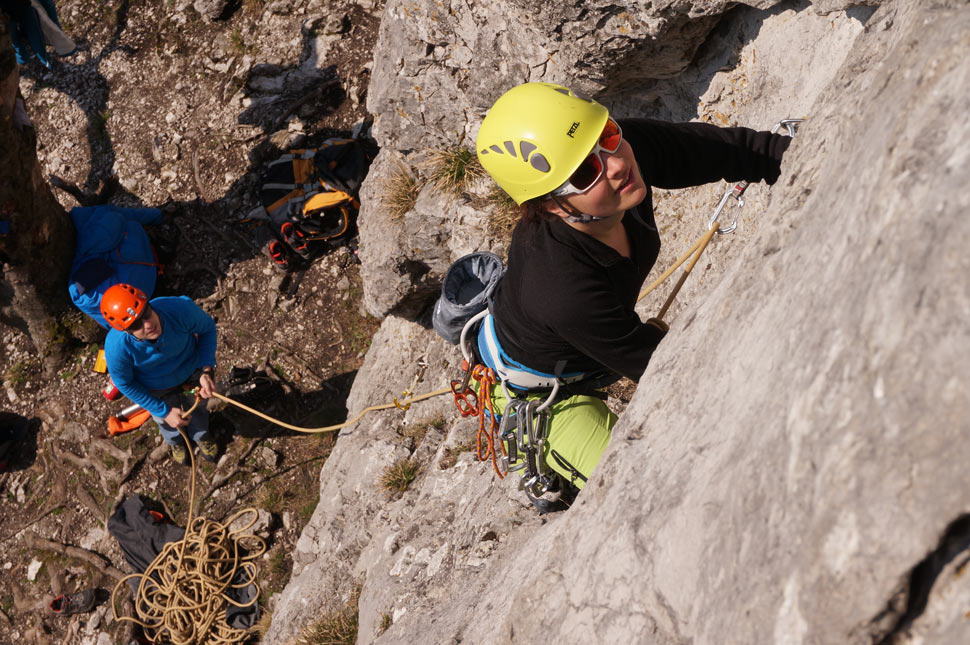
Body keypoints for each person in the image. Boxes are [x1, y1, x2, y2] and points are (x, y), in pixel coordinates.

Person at [474, 82, 791, 499]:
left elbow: (740, 151)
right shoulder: (562, 290)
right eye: (585, 172)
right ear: (551, 205)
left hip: (595, 341)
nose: (615, 164)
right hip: (545, 394)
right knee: (643, 492)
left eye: (605, 135)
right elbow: (671, 370)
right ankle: (550, 469)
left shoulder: (627, 152)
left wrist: (807, 155)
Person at [100, 284, 219, 465]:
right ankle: (175, 441)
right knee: (164, 421)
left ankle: (201, 435)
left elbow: (207, 328)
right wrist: (164, 411)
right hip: (155, 388)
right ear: (126, 330)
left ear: (148, 303)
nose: (148, 325)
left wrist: (206, 370)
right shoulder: (117, 348)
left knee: (199, 408)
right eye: (136, 324)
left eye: (146, 313)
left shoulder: (178, 309)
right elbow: (124, 383)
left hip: (192, 370)